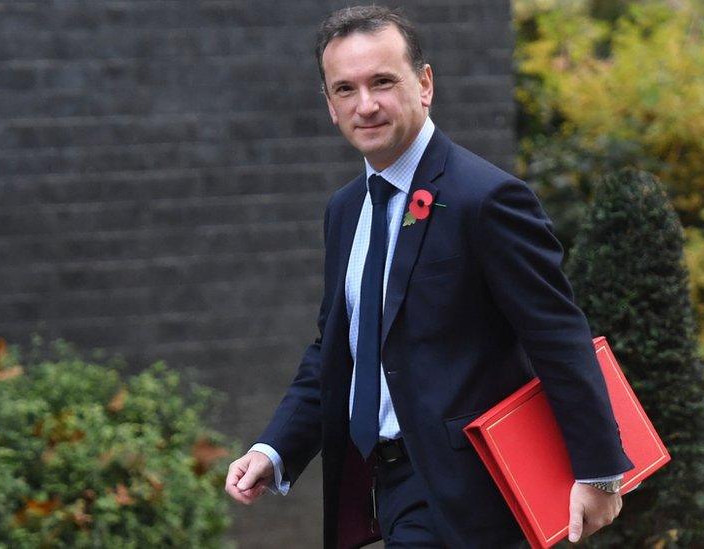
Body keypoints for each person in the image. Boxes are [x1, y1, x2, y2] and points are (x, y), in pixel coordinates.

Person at [224, 6, 633, 548]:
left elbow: (556, 333)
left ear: (425, 84)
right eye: (345, 89)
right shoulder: (344, 211)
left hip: (473, 496)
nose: (365, 105)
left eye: (382, 82)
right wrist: (272, 450)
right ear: (329, 106)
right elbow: (340, 350)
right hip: (385, 486)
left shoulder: (486, 199)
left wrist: (600, 470)